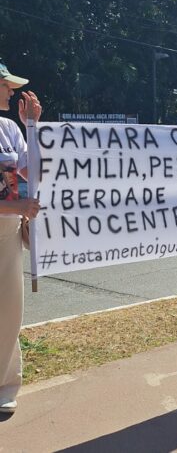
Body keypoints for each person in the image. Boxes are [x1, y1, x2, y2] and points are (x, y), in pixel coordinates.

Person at [0, 59, 41, 413]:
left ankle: (4, 386)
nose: (12, 92)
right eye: (5, 85)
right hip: (8, 219)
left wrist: (32, 127)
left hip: (6, 237)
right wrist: (17, 208)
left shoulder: (10, 127)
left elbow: (32, 168)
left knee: (9, 311)